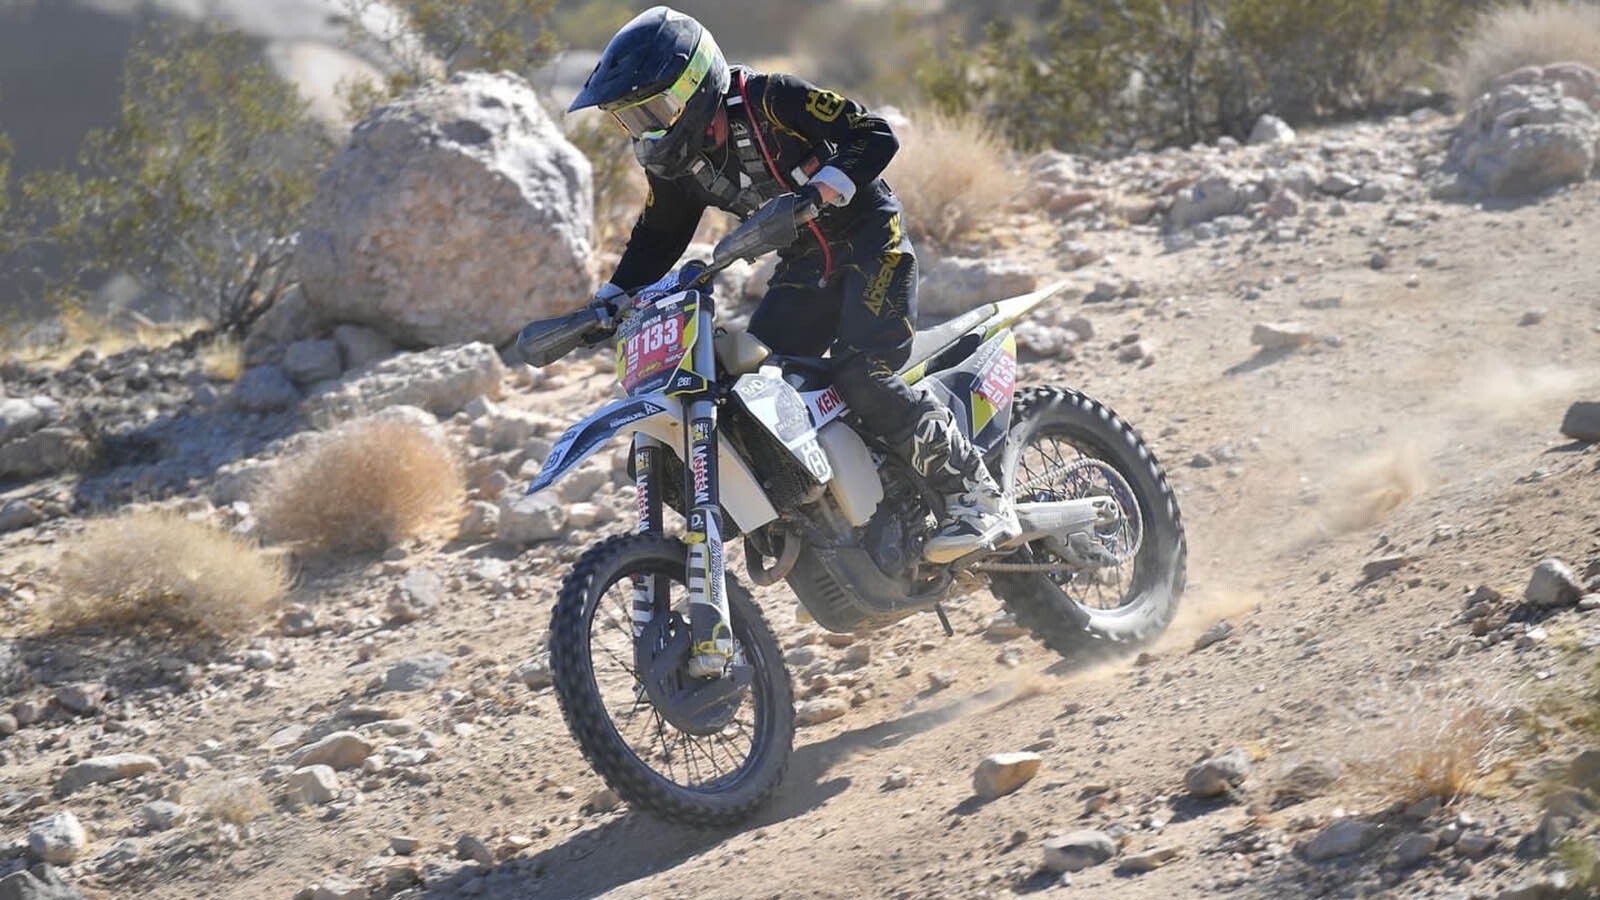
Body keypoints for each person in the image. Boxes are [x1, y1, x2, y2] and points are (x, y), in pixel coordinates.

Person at [567, 5, 1017, 564]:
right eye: (633, 120)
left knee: (863, 372)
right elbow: (658, 235)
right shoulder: (676, 166)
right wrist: (609, 301)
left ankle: (976, 492)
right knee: (756, 388)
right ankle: (840, 512)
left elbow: (873, 134)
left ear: (695, 85)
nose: (649, 130)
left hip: (871, 241)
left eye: (655, 110)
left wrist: (815, 196)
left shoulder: (771, 99)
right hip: (805, 264)